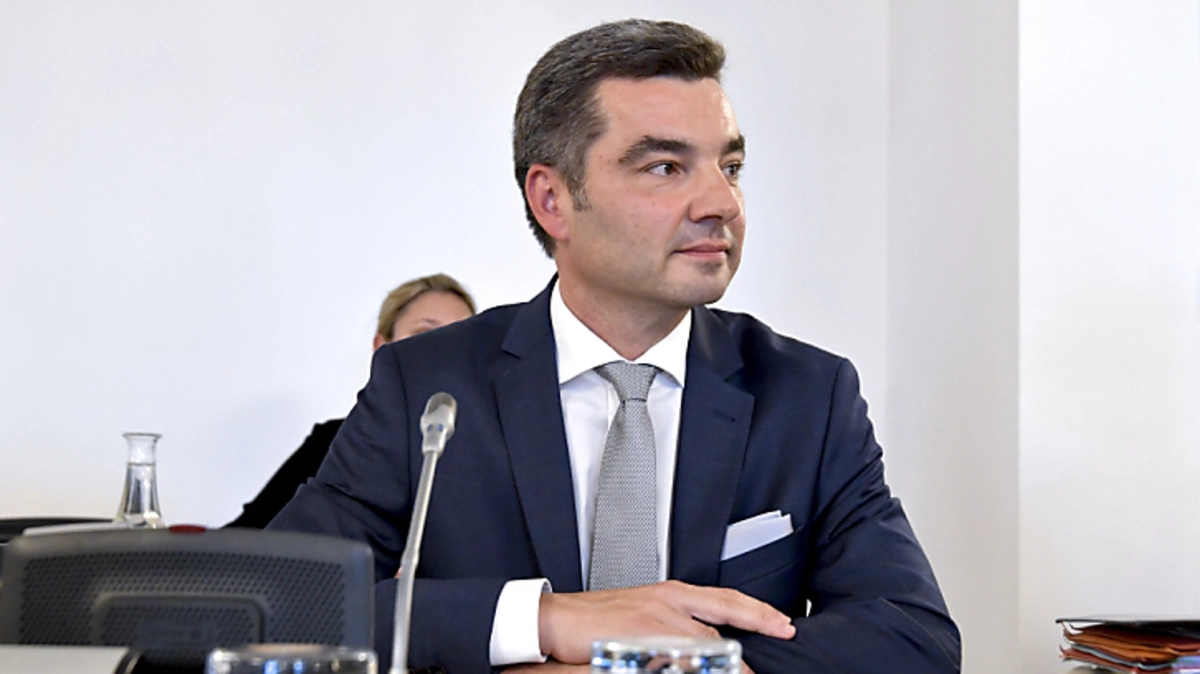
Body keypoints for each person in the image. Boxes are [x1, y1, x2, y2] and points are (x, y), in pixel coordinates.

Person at [269, 19, 961, 674]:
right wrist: (540, 622)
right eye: (665, 167)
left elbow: (913, 638)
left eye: (730, 166)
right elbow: (274, 601)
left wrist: (667, 664)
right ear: (553, 200)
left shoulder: (808, 394)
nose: (722, 203)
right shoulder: (427, 386)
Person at [227, 273, 475, 528]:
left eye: (460, 338)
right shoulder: (337, 443)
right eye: (425, 334)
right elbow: (244, 539)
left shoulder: (490, 454)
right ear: (382, 349)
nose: (444, 352)